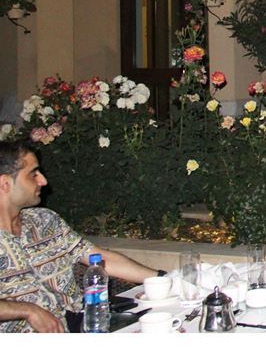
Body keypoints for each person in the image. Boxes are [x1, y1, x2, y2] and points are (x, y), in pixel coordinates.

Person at [0, 140, 161, 333]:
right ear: (5, 183)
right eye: (33, 174)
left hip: (82, 325)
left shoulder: (45, 221)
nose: (43, 181)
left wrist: (162, 278)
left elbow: (101, 259)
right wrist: (28, 311)